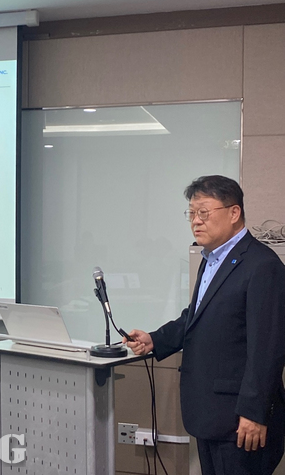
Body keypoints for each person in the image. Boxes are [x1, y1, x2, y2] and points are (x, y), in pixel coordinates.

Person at [124, 175, 285, 475]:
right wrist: (155, 340)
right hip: (210, 413)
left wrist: (254, 413)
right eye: (191, 213)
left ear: (234, 213)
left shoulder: (262, 266)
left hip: (240, 421)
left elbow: (268, 348)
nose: (196, 221)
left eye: (204, 212)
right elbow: (196, 317)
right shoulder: (210, 259)